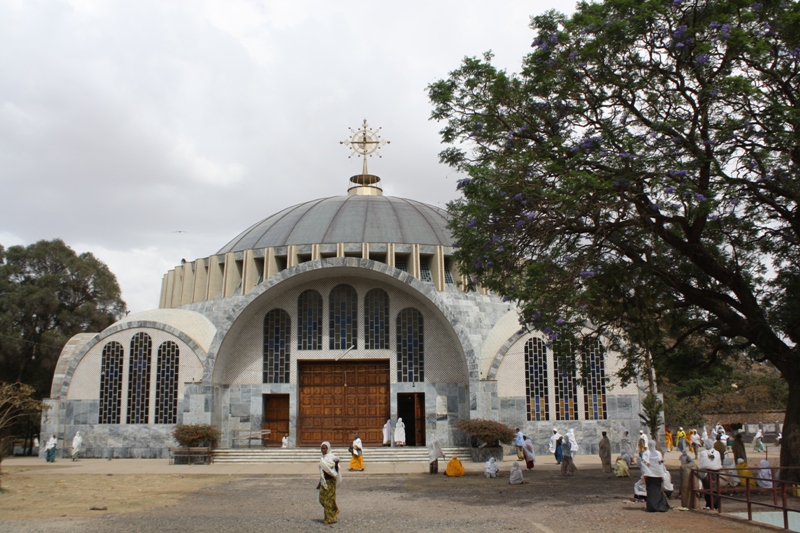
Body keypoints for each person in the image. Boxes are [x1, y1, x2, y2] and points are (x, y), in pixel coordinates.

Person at [641, 438, 670, 512]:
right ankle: (660, 505)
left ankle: (653, 506)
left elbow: (644, 464)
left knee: (651, 490)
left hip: (650, 475)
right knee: (657, 490)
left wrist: (645, 474)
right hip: (657, 474)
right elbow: (660, 463)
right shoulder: (658, 453)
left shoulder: (646, 453)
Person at [317, 441, 341, 525]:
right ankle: (334, 510)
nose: (323, 450)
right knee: (322, 499)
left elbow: (335, 472)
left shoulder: (332, 458)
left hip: (331, 482)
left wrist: (337, 464)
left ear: (328, 448)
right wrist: (320, 482)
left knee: (328, 501)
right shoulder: (322, 458)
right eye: (322, 448)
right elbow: (321, 472)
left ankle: (328, 519)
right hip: (324, 482)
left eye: (325, 448)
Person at [698, 439, 722, 510]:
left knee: (707, 488)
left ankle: (709, 504)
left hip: (706, 473)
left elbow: (702, 464)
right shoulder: (717, 452)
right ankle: (716, 505)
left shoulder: (703, 453)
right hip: (716, 472)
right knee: (715, 488)